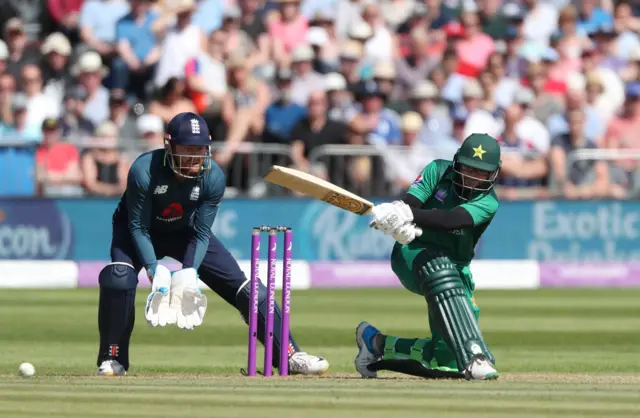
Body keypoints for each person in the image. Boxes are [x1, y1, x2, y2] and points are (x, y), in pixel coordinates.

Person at [96, 111, 329, 377]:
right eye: (188, 149)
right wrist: (152, 268)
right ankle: (113, 358)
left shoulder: (213, 176)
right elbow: (138, 226)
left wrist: (189, 272)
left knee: (253, 292)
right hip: (135, 230)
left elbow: (202, 232)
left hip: (185, 232)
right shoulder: (143, 170)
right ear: (169, 145)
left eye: (201, 149)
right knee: (118, 279)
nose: (195, 157)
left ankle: (290, 355)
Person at [355, 133, 501, 381]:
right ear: (457, 162)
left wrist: (407, 213)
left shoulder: (488, 202)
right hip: (412, 254)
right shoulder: (438, 170)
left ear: (492, 174)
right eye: (468, 167)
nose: (472, 177)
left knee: (449, 358)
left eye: (480, 173)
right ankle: (475, 357)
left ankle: (374, 342)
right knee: (439, 268)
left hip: (456, 268)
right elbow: (412, 201)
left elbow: (451, 220)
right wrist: (396, 220)